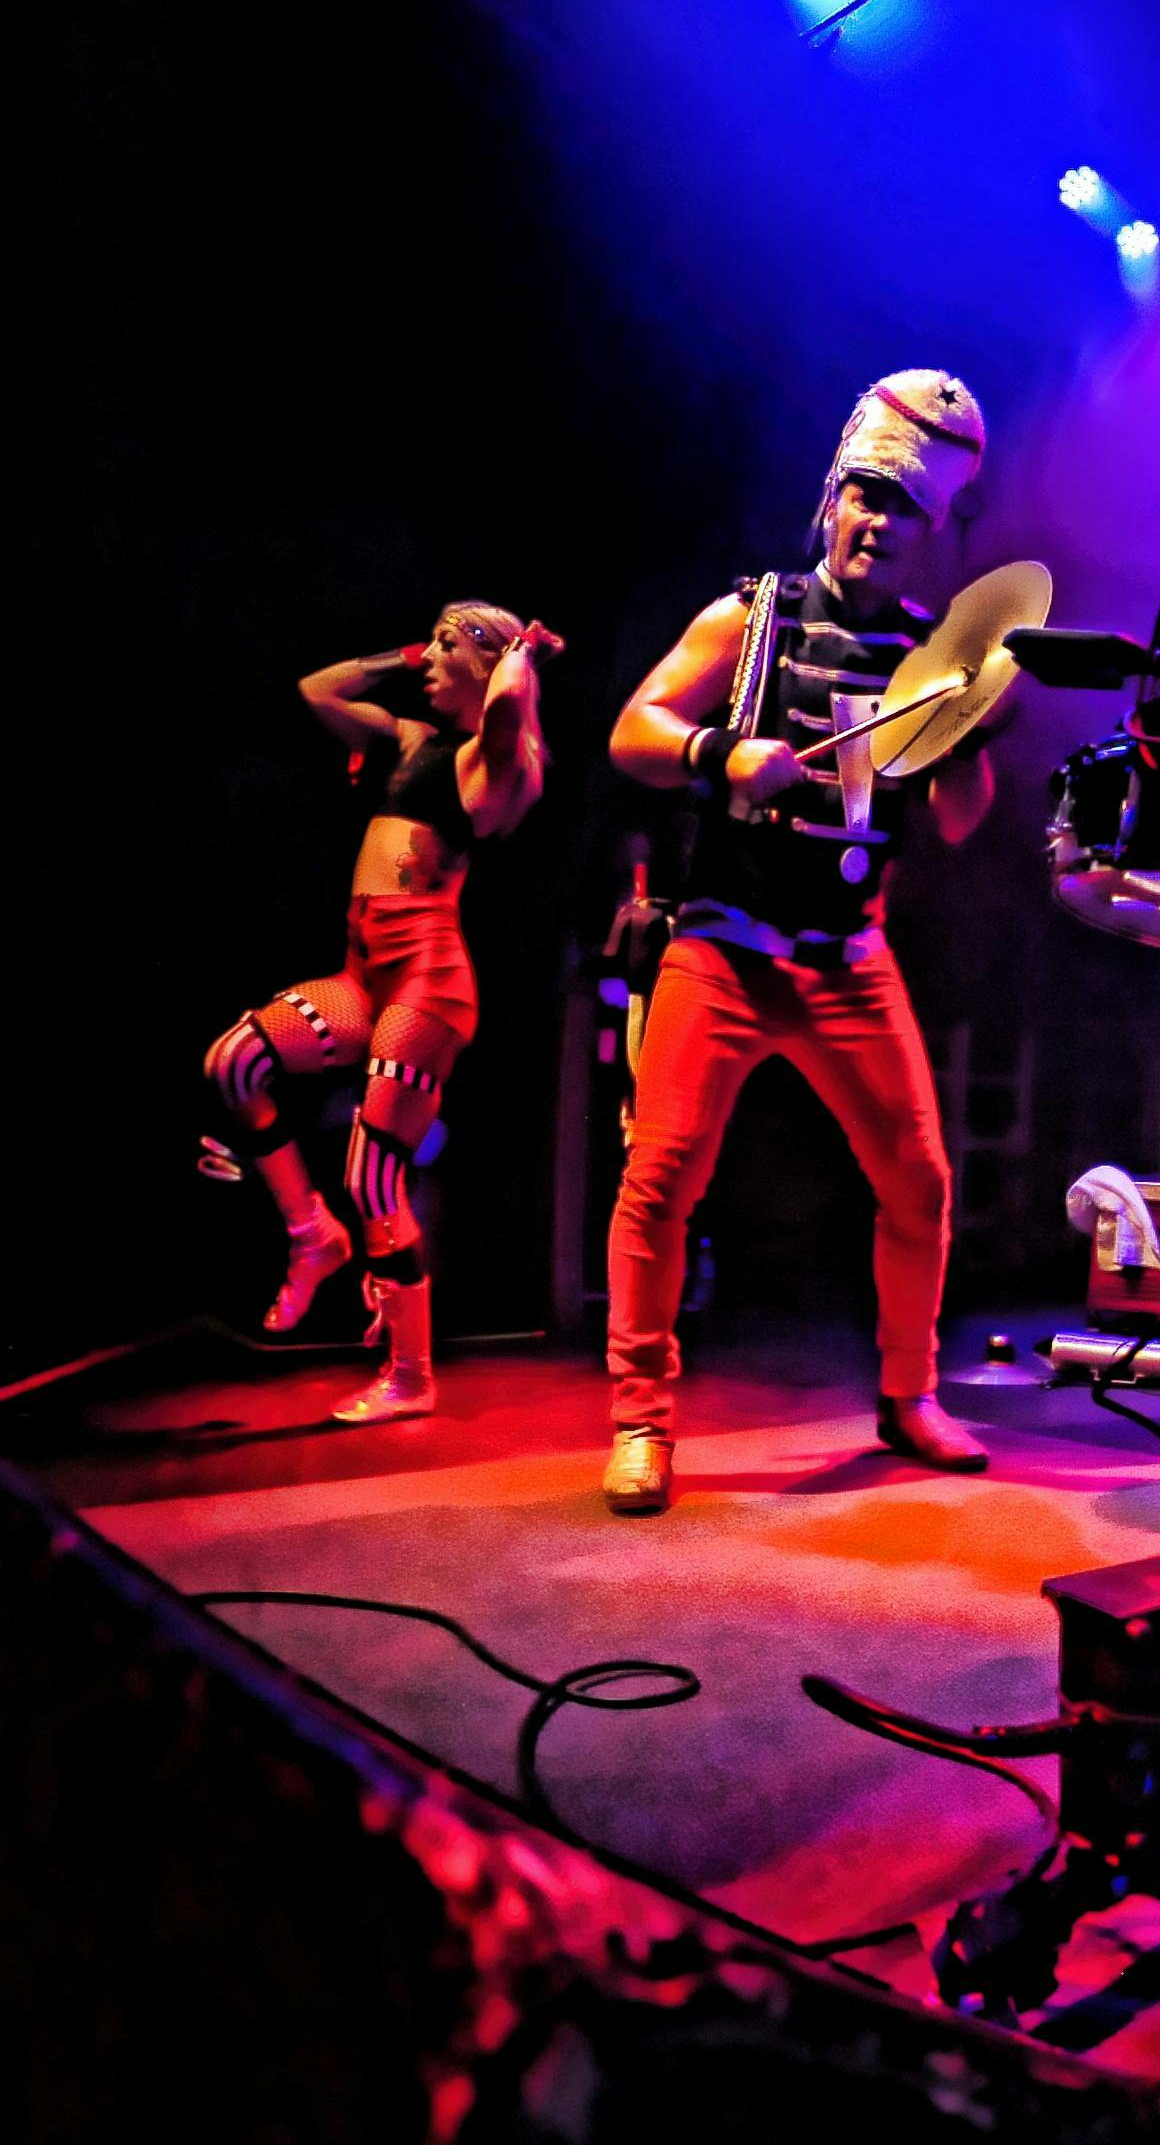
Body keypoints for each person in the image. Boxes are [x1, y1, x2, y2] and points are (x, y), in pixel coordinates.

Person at [598, 370, 1004, 1516]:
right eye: (866, 495)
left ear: (931, 532)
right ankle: (640, 1420)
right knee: (661, 1175)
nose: (878, 522)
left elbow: (960, 823)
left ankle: (909, 1395)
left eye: (904, 508)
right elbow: (633, 730)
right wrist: (717, 753)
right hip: (724, 945)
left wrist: (970, 731)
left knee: (919, 1180)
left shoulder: (929, 656)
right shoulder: (752, 617)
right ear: (832, 497)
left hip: (847, 956)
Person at [204, 603, 559, 1422]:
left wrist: (520, 656)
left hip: (427, 981)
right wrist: (410, 650)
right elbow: (318, 689)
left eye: (446, 645)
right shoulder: (410, 739)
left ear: (486, 664)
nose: (428, 657)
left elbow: (508, 706)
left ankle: (410, 1376)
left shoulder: (492, 760)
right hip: (364, 974)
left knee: (372, 1175)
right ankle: (311, 1234)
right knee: (235, 1063)